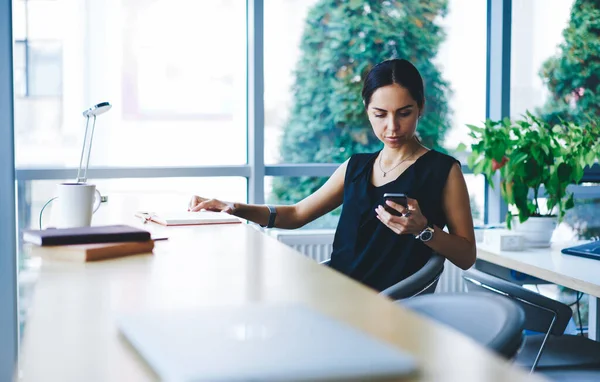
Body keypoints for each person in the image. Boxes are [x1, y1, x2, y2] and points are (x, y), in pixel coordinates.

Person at [189, 59, 476, 292]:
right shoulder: (356, 167)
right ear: (367, 111)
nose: (392, 127)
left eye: (404, 113)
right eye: (380, 114)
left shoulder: (443, 170)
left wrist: (423, 230)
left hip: (395, 310)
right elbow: (297, 213)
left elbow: (466, 256)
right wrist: (234, 208)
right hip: (338, 299)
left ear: (421, 108)